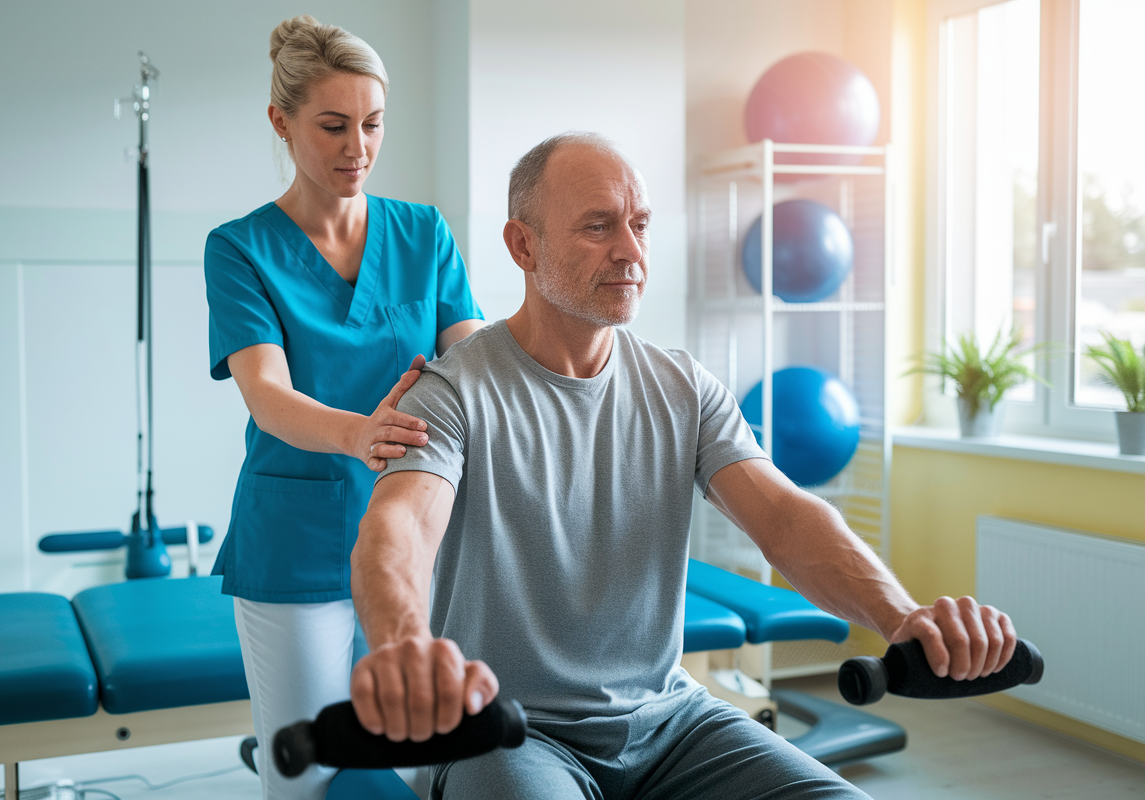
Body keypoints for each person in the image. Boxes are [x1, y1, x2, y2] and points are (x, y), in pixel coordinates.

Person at [348, 132, 1018, 799]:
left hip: (670, 720)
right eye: (598, 226)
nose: (632, 252)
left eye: (639, 225)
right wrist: (404, 646)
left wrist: (901, 616)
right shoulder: (451, 390)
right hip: (508, 732)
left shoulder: (684, 387)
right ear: (524, 246)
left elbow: (784, 518)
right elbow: (398, 531)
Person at [203, 16, 485, 799]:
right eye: (332, 125)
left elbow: (474, 364)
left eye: (372, 124)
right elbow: (267, 397)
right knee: (309, 774)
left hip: (415, 534)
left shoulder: (423, 232)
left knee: (432, 765)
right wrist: (361, 433)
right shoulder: (239, 248)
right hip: (295, 545)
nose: (356, 146)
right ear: (281, 122)